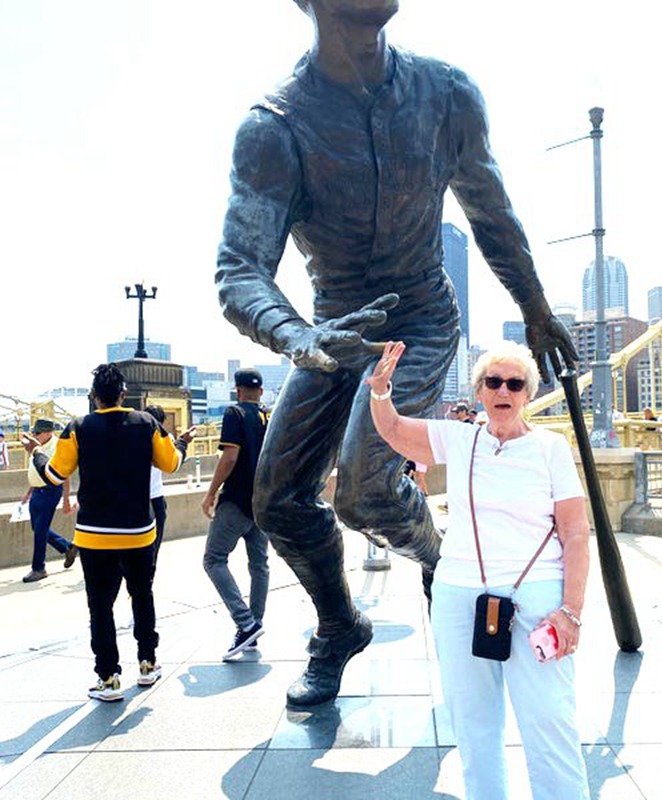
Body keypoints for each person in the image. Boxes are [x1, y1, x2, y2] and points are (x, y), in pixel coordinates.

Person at [216, 0, 577, 707]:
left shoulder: (446, 96)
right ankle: (341, 626)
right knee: (276, 500)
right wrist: (299, 338)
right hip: (332, 331)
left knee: (363, 487)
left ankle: (441, 563)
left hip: (419, 316)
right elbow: (239, 268)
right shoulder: (275, 128)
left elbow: (491, 213)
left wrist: (535, 306)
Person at [367, 340, 590, 800]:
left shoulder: (551, 448)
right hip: (459, 592)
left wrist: (571, 610)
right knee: (472, 722)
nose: (503, 390)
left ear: (528, 393)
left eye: (514, 383)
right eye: (493, 381)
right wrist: (381, 390)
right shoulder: (459, 437)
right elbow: (392, 431)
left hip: (538, 597)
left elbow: (575, 533)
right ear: (480, 390)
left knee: (549, 717)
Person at [22, 364, 196, 701]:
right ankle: (147, 663)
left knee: (100, 606)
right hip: (138, 531)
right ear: (122, 393)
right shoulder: (146, 424)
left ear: (94, 397)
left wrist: (37, 453)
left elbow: (55, 476)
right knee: (141, 595)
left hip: (94, 534)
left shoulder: (78, 428)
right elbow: (172, 463)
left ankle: (108, 678)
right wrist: (184, 445)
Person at [202, 369, 270, 661]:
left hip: (237, 502)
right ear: (261, 392)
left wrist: (211, 492)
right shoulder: (268, 416)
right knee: (259, 565)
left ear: (237, 390)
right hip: (263, 502)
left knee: (214, 559)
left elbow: (229, 457)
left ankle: (246, 623)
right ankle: (253, 628)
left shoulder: (235, 413)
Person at [20, 418, 77, 583]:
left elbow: (63, 474)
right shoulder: (36, 446)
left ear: (47, 432)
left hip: (50, 491)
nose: (34, 436)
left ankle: (38, 568)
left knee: (40, 530)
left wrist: (66, 499)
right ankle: (67, 547)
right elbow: (36, 470)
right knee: (36, 527)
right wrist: (29, 491)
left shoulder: (58, 446)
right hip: (37, 490)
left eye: (37, 433)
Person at [145, 405, 169, 572]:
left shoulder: (136, 438)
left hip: (152, 495)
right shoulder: (164, 439)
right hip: (152, 497)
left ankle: (149, 565)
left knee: (152, 537)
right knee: (153, 537)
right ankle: (150, 565)